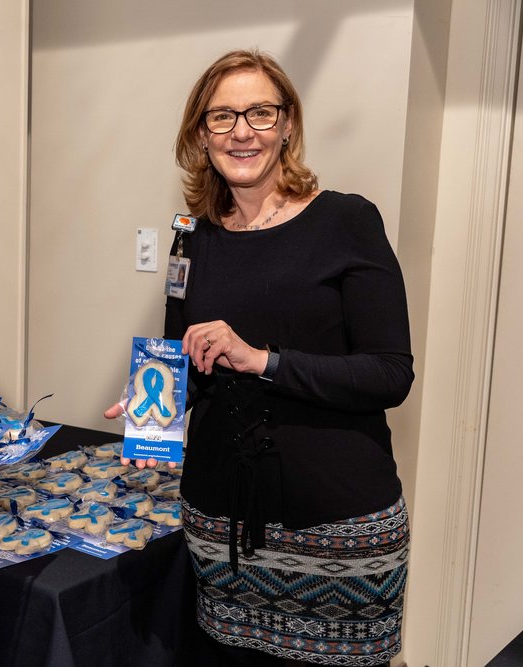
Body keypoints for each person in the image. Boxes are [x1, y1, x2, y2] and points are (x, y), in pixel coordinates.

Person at [108, 49, 413, 666]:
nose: (241, 131)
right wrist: (151, 406)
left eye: (260, 113)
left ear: (289, 125)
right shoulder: (191, 237)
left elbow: (390, 372)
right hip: (221, 529)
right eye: (222, 117)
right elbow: (181, 356)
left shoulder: (347, 220)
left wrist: (264, 360)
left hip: (337, 527)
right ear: (202, 134)